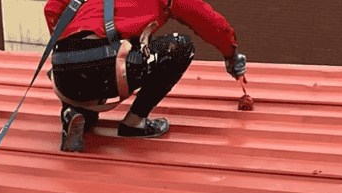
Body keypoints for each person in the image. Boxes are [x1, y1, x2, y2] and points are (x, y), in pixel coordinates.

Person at [44, 0, 246, 152]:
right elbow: (209, 22)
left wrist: (67, 50)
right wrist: (231, 55)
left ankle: (73, 113)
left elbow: (52, 9)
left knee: (83, 62)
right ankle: (135, 122)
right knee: (181, 45)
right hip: (107, 66)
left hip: (62, 72)